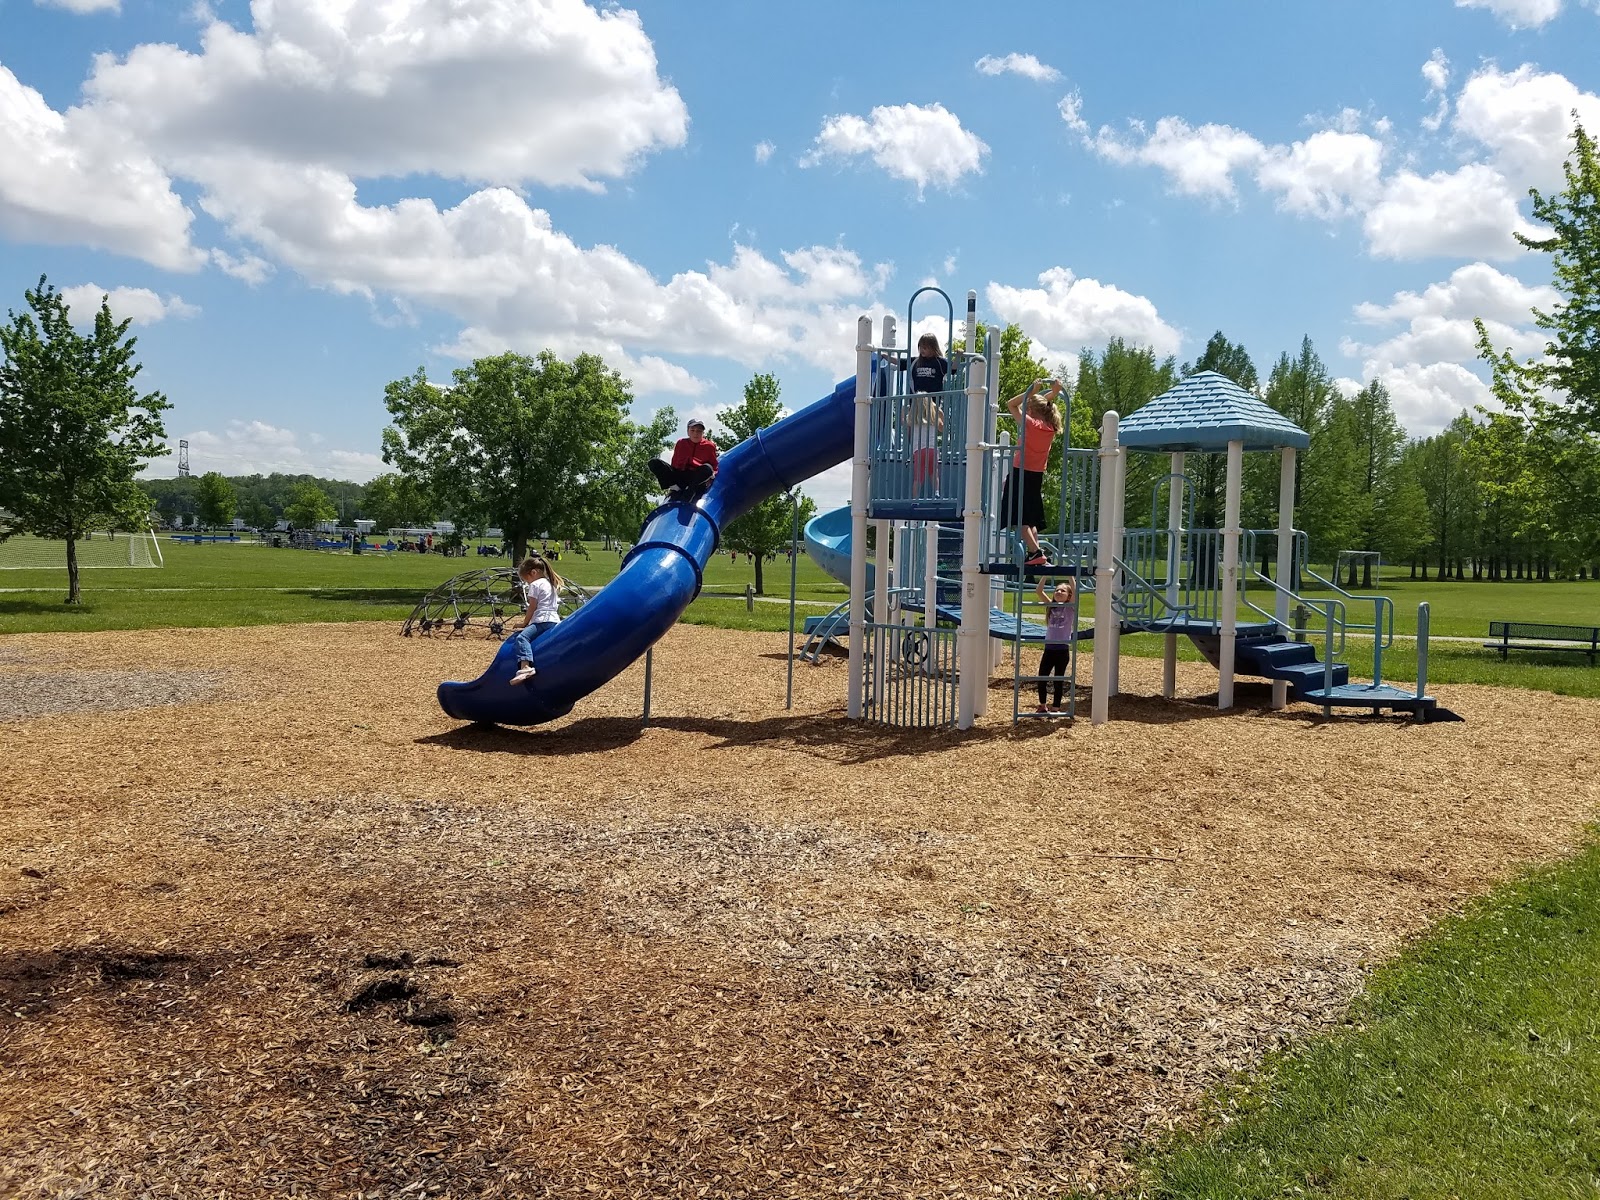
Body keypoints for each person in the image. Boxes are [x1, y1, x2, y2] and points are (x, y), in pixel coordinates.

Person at [998, 381, 1064, 568]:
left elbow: (1011, 404)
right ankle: (1034, 552)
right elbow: (1044, 406)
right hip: (1036, 474)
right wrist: (1054, 393)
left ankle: (1035, 552)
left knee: (1019, 518)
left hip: (1021, 472)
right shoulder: (1050, 426)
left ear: (1032, 411)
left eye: (1027, 408)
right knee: (1031, 518)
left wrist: (1030, 391)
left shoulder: (1030, 423)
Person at [508, 554, 565, 684]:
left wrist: (524, 623)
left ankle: (526, 667)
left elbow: (532, 607)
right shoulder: (551, 583)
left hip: (542, 620)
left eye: (526, 579)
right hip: (554, 620)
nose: (527, 583)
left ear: (533, 572)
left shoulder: (535, 585)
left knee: (522, 638)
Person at [1034, 575, 1077, 713]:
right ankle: (1042, 704)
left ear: (1069, 596)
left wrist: (1070, 576)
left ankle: (1056, 706)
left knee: (1058, 679)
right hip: (1049, 648)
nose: (1058, 592)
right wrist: (1045, 575)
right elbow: (1039, 591)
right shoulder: (1051, 607)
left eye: (1063, 591)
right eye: (1057, 590)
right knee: (1042, 677)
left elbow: (1075, 591)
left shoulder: (1070, 608)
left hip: (1062, 650)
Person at [648, 419, 719, 500]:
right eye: (692, 430)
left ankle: (690, 491)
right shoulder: (681, 443)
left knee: (707, 468)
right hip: (680, 473)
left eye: (699, 431)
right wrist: (670, 477)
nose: (695, 433)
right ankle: (674, 487)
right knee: (654, 462)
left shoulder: (709, 446)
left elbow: (714, 465)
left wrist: (712, 476)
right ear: (688, 432)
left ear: (703, 433)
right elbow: (674, 463)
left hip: (695, 477)